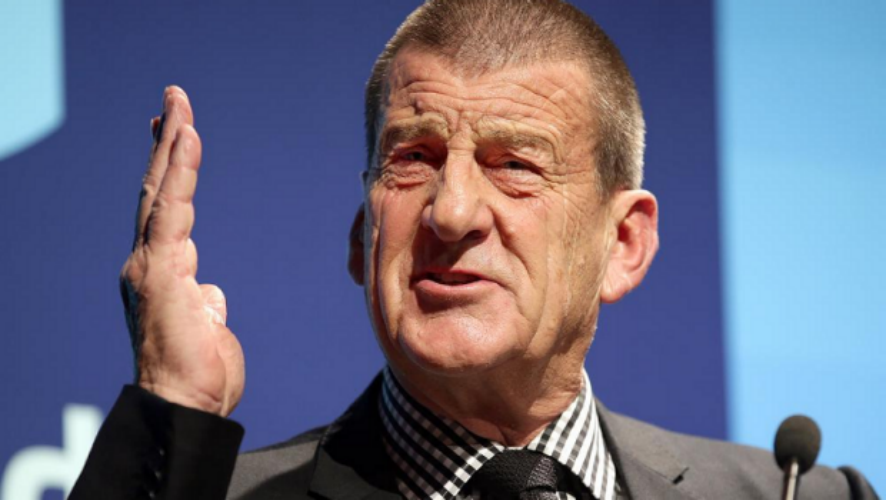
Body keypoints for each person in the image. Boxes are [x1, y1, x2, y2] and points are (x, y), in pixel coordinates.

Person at [71, 0, 878, 499]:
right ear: (361, 235)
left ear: (624, 244)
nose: (450, 211)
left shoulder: (797, 497)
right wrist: (173, 404)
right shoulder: (209, 495)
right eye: (413, 159)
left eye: (516, 165)